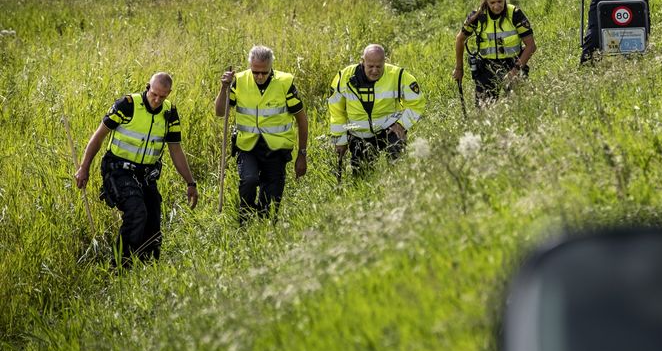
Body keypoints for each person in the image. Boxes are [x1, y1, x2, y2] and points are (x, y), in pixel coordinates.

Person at [74, 72, 199, 267]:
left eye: (162, 96)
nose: (157, 100)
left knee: (153, 216)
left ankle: (147, 268)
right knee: (136, 211)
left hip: (146, 174)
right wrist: (84, 167)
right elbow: (98, 137)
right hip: (117, 170)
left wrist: (190, 182)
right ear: (148, 87)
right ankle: (119, 268)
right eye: (154, 94)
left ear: (169, 94)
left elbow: (175, 150)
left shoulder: (170, 112)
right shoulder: (127, 105)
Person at [215, 45, 308, 223]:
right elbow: (220, 112)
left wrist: (302, 154)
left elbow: (302, 120)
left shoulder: (284, 83)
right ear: (250, 66)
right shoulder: (239, 81)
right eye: (255, 71)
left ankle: (264, 228)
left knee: (270, 204)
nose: (259, 76)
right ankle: (245, 222)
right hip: (247, 146)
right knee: (249, 181)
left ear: (271, 68)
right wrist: (224, 88)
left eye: (264, 73)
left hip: (277, 149)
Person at [329, 44, 426, 176]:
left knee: (399, 172)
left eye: (379, 66)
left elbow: (417, 102)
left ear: (384, 62)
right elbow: (336, 111)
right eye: (370, 66)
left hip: (390, 130)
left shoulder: (398, 75)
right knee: (362, 178)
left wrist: (402, 124)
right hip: (360, 136)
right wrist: (340, 141)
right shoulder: (344, 77)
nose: (374, 71)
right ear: (362, 61)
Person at [452, 0, 537, 105]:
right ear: (486, 1)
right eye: (492, 2)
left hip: (513, 64)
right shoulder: (477, 16)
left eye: (500, 1)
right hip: (486, 68)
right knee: (484, 113)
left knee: (518, 107)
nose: (496, 6)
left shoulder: (515, 14)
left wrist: (515, 71)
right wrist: (459, 68)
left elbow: (531, 46)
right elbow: (460, 39)